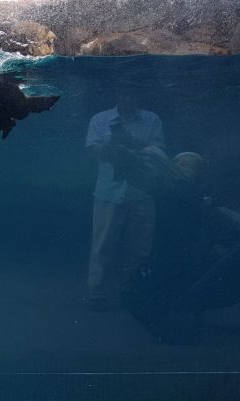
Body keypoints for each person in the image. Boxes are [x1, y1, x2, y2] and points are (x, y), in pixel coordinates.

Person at [84, 86, 165, 311]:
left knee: (140, 248)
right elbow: (91, 151)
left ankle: (133, 291)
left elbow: (158, 152)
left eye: (132, 93)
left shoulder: (152, 120)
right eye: (124, 93)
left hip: (142, 191)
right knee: (102, 244)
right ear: (117, 95)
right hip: (109, 191)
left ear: (138, 95)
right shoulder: (100, 119)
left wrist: (130, 143)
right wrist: (112, 146)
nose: (128, 97)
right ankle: (96, 292)